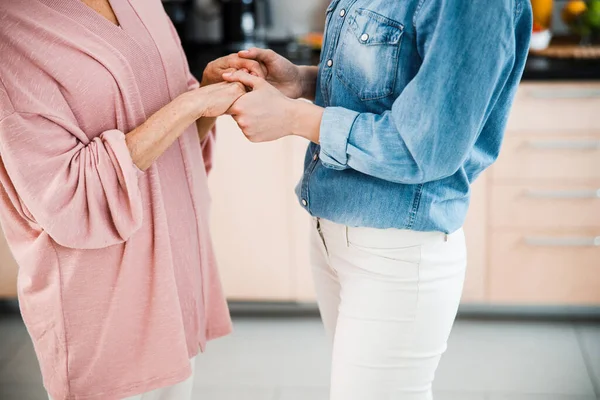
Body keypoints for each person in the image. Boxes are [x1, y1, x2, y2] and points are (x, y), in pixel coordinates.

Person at [222, 1, 533, 399]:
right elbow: (398, 81)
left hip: (397, 250)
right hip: (333, 232)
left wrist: (294, 117)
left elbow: (424, 147)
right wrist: (302, 82)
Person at [0, 0, 263, 399]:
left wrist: (205, 95)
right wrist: (190, 105)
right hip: (105, 308)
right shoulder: (12, 28)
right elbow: (65, 194)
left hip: (175, 288)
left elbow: (173, 146)